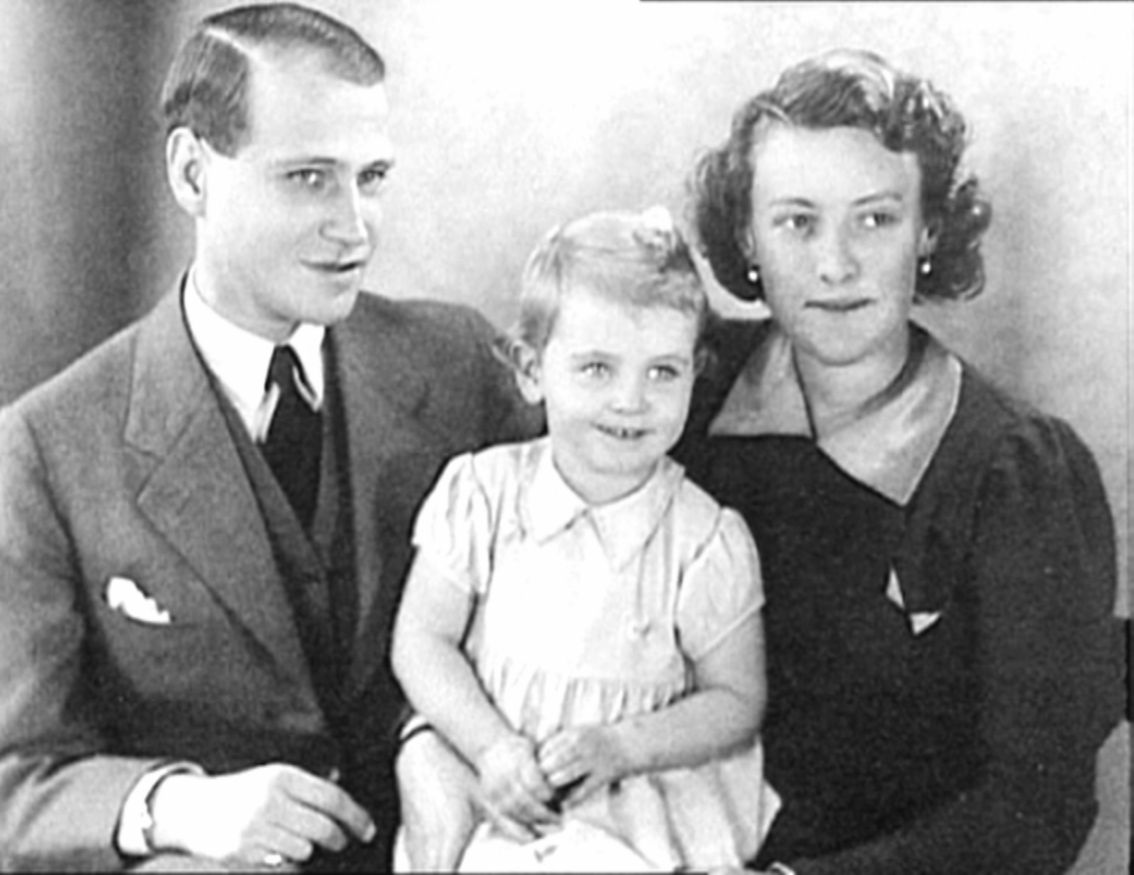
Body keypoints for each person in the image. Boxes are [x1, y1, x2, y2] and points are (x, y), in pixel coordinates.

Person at [394, 49, 1124, 874]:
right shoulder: (671, 388)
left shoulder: (1013, 470)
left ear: (927, 231)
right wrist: (430, 745)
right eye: (797, 222)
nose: (835, 263)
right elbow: (490, 599)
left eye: (876, 219)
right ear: (747, 235)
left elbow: (1038, 810)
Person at [0, 3, 534, 871]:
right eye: (309, 178)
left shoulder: (459, 368)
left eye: (371, 178)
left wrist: (431, 731)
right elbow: (16, 777)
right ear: (191, 173)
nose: (354, 226)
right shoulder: (43, 450)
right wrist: (179, 806)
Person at [391, 207, 775, 871]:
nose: (632, 400)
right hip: (499, 784)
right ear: (531, 370)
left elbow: (737, 699)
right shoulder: (481, 495)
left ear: (694, 372)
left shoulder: (704, 540)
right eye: (597, 368)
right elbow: (422, 641)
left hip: (634, 804)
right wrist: (490, 748)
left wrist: (625, 746)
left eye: (663, 372)